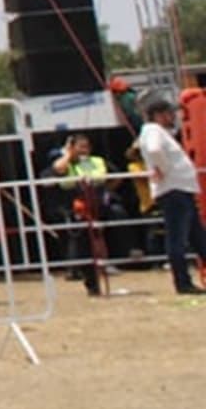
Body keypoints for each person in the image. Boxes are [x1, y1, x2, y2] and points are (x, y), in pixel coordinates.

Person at [133, 92, 206, 295]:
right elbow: (155, 151)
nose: (172, 117)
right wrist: (163, 169)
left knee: (198, 237)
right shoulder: (154, 130)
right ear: (158, 115)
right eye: (168, 113)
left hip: (180, 190)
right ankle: (182, 282)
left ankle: (184, 281)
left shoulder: (154, 131)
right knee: (178, 238)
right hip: (174, 190)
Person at [51, 133, 117, 297]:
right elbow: (58, 169)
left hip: (97, 204)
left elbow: (103, 176)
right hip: (76, 207)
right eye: (79, 146)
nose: (84, 150)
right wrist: (67, 154)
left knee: (103, 235)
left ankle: (105, 266)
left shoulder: (96, 161)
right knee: (83, 245)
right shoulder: (66, 161)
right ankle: (90, 283)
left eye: (86, 146)